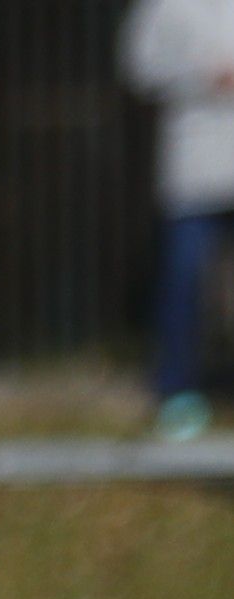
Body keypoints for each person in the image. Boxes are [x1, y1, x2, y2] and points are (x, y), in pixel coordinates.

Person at [126, 0, 234, 438]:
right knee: (184, 280)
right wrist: (202, 75)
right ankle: (177, 392)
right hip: (196, 169)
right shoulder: (165, 6)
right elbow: (140, 66)